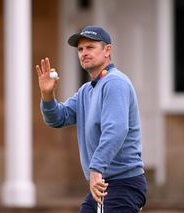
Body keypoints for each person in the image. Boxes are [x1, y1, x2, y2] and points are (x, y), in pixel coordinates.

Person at [36, 25, 147, 213]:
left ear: (107, 50)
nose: (83, 53)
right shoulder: (87, 90)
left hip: (122, 184)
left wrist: (96, 169)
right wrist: (47, 95)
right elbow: (58, 118)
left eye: (90, 47)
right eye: (80, 49)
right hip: (105, 184)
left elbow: (116, 129)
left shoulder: (115, 83)